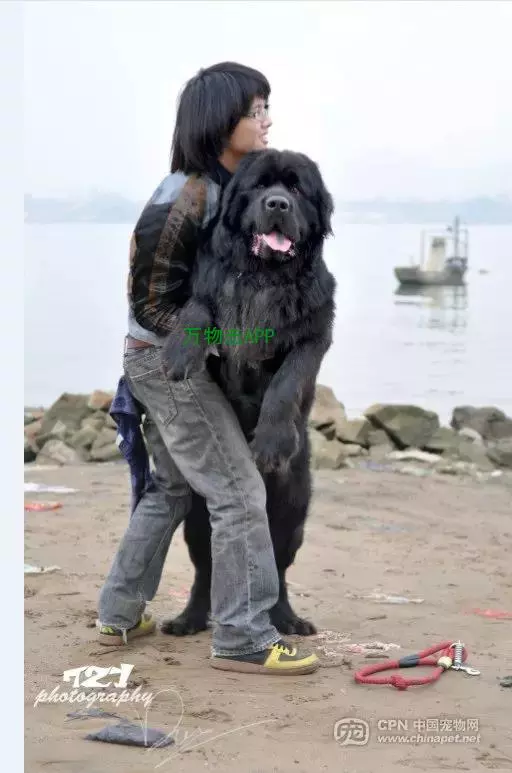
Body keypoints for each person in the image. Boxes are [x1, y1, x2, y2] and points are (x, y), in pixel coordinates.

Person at [97, 62, 319, 676]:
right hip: (166, 363)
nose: (266, 121)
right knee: (241, 493)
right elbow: (149, 304)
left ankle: (118, 614)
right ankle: (242, 638)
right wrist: (231, 341)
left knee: (171, 489)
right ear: (221, 120)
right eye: (255, 110)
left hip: (173, 359)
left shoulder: (227, 186)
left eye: (266, 108)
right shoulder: (184, 195)